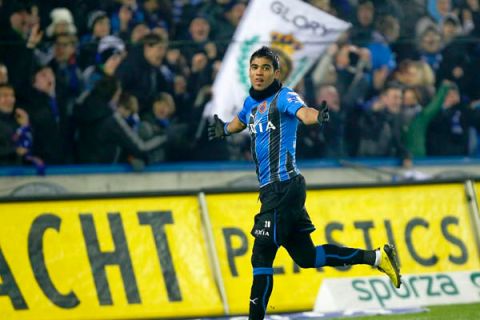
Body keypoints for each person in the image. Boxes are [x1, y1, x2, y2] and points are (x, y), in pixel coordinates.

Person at [207, 46, 401, 320]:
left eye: (265, 68)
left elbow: (303, 112)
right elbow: (241, 121)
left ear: (276, 72)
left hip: (284, 187)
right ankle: (377, 258)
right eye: (255, 67)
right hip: (275, 191)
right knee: (307, 258)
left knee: (261, 255)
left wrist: (316, 117)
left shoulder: (284, 97)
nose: (259, 73)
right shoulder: (252, 103)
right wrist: (224, 129)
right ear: (249, 71)